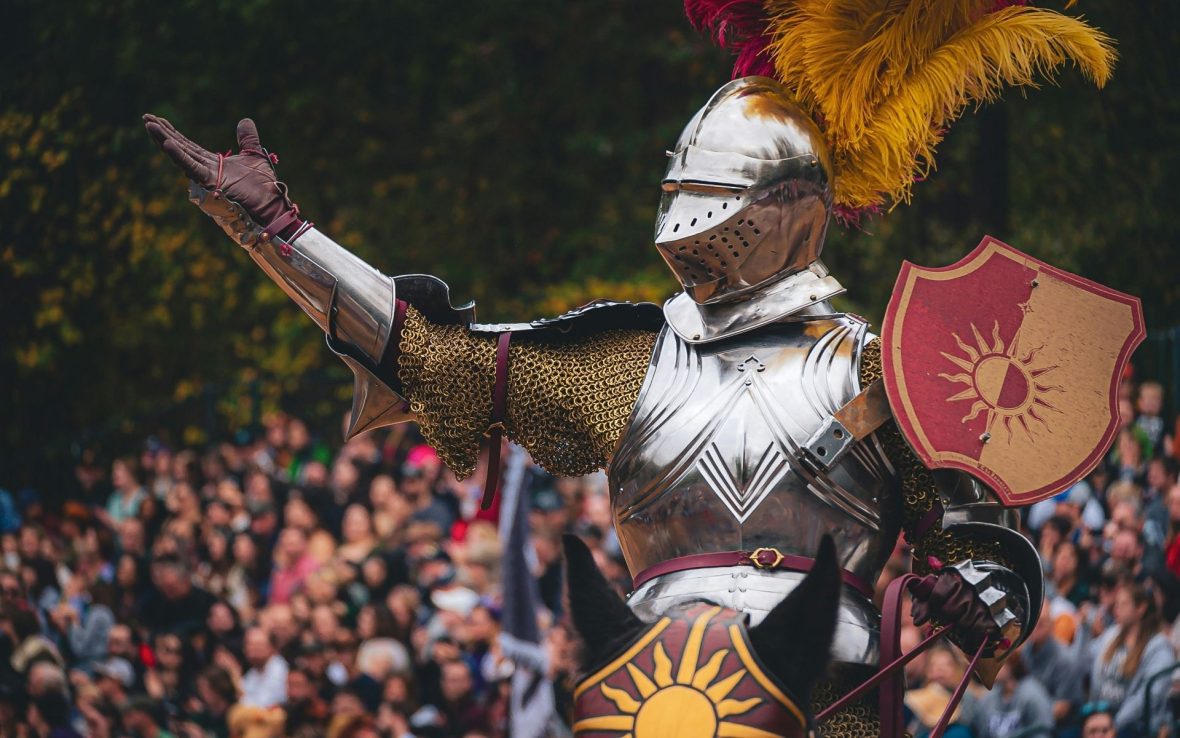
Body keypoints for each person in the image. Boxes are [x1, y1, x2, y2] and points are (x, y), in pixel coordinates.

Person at [1088, 581, 1174, 736]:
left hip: (1134, 727)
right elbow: (1085, 661)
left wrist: (1115, 724)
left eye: (1124, 603)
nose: (1117, 608)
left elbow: (1149, 696)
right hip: (1100, 716)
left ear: (1141, 608)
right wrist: (1082, 629)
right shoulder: (1111, 634)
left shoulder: (1159, 648)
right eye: (1117, 603)